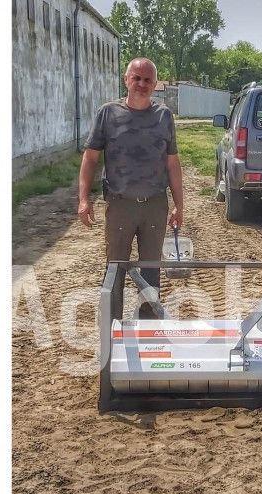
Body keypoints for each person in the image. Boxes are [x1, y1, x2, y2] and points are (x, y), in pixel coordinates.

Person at [77, 57, 184, 317]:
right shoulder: (108, 113)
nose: (141, 84)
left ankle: (147, 329)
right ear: (126, 80)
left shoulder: (164, 116)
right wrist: (83, 199)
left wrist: (179, 205)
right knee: (115, 269)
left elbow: (172, 164)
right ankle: (112, 329)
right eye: (136, 78)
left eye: (148, 79)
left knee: (151, 271)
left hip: (155, 206)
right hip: (120, 205)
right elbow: (90, 158)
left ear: (155, 84)